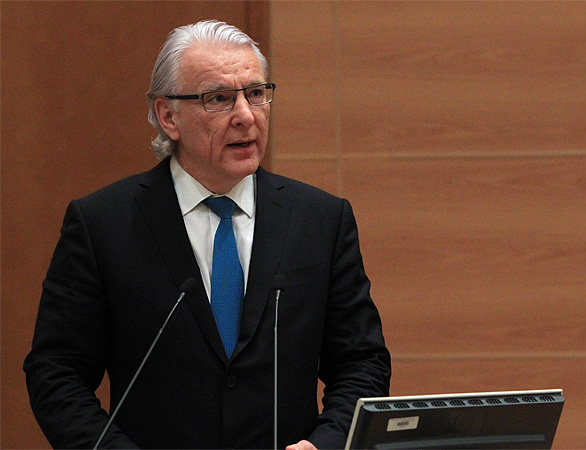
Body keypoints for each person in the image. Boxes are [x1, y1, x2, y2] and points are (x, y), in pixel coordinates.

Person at [24, 20, 391, 450]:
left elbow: (361, 363)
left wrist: (323, 445)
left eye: (256, 93)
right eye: (218, 98)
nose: (246, 116)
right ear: (168, 116)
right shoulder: (103, 225)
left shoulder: (321, 220)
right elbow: (57, 374)